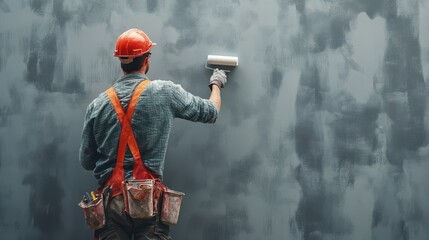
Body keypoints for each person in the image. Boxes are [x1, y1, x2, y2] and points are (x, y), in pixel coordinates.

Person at [79, 28, 227, 240]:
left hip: (111, 203)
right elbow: (210, 112)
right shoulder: (164, 92)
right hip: (148, 202)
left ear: (121, 61)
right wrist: (217, 83)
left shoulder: (97, 105)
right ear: (146, 59)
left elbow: (86, 161)